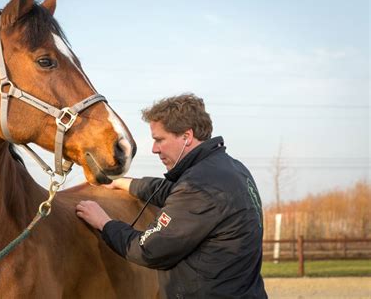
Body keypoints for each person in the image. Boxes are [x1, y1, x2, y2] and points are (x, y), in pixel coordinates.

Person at [76, 93, 267, 299]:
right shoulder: (230, 169)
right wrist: (125, 183)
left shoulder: (199, 186)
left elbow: (148, 250)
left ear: (186, 137)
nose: (154, 149)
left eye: (159, 140)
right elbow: (173, 191)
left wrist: (104, 223)